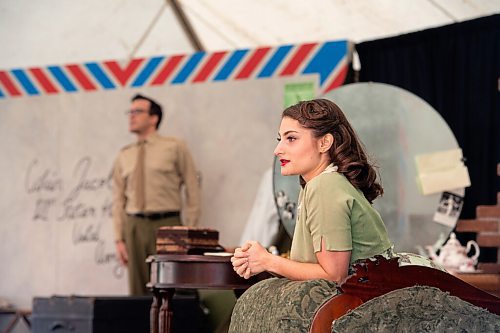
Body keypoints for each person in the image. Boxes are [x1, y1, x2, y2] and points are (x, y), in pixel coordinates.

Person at [231, 98, 392, 283]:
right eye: (279, 139)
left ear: (324, 143)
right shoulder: (321, 184)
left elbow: (334, 276)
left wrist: (268, 261)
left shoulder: (325, 186)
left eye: (291, 138)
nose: (277, 150)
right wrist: (260, 260)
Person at [112, 94, 201, 295]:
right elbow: (118, 199)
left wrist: (191, 230)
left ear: (154, 118)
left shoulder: (174, 147)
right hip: (134, 227)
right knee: (139, 291)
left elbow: (192, 188)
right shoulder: (124, 155)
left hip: (168, 225)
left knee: (175, 287)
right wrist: (119, 238)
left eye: (137, 111)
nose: (131, 116)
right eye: (130, 112)